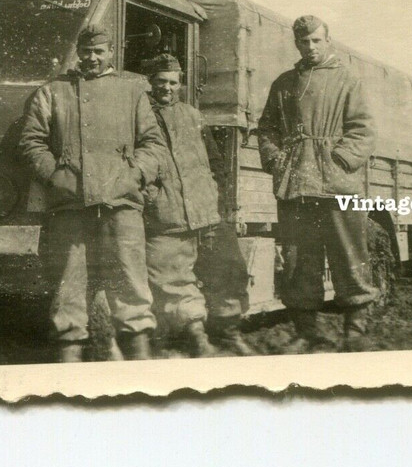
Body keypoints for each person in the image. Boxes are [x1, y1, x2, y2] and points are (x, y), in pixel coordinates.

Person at [19, 25, 165, 362]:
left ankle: (139, 352)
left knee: (129, 277)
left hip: (122, 200)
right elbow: (31, 140)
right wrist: (56, 176)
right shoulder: (54, 91)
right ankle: (69, 353)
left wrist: (135, 173)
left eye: (99, 52)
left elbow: (153, 143)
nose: (92, 58)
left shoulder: (133, 91)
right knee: (69, 282)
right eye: (86, 51)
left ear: (111, 53)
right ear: (78, 53)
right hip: (71, 201)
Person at [257, 15, 378, 353]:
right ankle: (307, 331)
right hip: (296, 182)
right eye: (304, 42)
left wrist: (339, 160)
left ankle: (355, 328)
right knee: (298, 259)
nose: (310, 47)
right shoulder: (283, 83)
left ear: (328, 41)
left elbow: (364, 129)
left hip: (338, 184)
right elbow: (266, 128)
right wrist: (275, 158)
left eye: (316, 41)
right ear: (296, 43)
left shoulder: (348, 80)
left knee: (349, 254)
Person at [142, 53, 253, 357]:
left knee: (227, 271)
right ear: (150, 82)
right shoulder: (139, 116)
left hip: (205, 210)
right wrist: (152, 197)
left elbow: (215, 161)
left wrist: (215, 194)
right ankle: (196, 338)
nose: (167, 88)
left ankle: (230, 334)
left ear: (180, 84)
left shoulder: (193, 115)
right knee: (172, 278)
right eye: (161, 82)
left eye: (173, 83)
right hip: (168, 213)